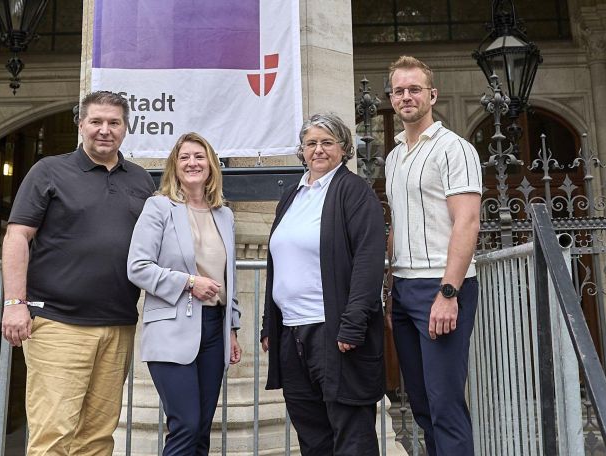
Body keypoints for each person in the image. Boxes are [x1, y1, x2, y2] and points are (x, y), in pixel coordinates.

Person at [0, 90, 156, 455]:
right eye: (96, 121)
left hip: (118, 325)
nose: (105, 130)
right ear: (81, 124)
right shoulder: (49, 170)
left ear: (125, 128)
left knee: (97, 438)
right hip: (58, 323)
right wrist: (14, 303)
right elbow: (17, 236)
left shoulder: (140, 180)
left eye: (114, 122)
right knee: (53, 434)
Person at [261, 113, 385, 455]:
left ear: (344, 149)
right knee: (312, 434)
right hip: (291, 333)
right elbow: (279, 263)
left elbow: (368, 260)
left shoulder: (354, 192)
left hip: (335, 333)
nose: (318, 150)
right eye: (311, 143)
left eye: (327, 142)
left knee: (350, 433)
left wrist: (353, 324)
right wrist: (267, 324)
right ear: (301, 151)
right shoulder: (292, 196)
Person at [384, 56, 482, 456]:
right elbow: (398, 229)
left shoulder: (454, 149)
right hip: (404, 289)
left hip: (440, 286)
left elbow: (468, 223)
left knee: (445, 405)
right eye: (399, 90)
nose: (407, 96)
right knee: (421, 405)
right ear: (391, 98)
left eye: (415, 89)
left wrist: (448, 292)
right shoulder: (393, 157)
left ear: (432, 95)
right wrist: (389, 288)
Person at [127, 132, 242, 456]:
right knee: (186, 424)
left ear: (211, 165)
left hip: (214, 330)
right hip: (170, 329)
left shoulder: (224, 214)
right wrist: (189, 282)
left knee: (202, 428)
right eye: (184, 157)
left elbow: (227, 276)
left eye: (199, 156)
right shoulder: (159, 207)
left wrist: (232, 328)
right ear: (174, 167)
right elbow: (137, 267)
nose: (192, 163)